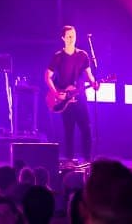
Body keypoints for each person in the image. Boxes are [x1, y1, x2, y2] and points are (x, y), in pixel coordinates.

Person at [44, 25, 97, 165]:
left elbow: (89, 74)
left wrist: (94, 83)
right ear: (63, 38)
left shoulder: (83, 55)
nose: (71, 38)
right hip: (64, 99)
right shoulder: (58, 57)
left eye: (73, 35)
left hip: (80, 97)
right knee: (69, 130)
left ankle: (87, 160)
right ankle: (69, 160)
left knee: (86, 128)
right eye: (68, 36)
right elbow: (47, 76)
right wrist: (56, 93)